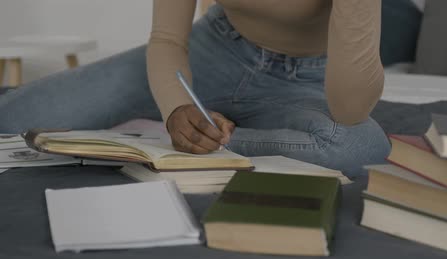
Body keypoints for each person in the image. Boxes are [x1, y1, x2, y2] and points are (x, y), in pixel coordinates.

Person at [0, 0, 390, 177]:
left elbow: (351, 108)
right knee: (12, 116)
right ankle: (187, 125)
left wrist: (221, 138)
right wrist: (176, 107)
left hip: (307, 78)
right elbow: (168, 39)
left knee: (358, 146)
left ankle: (209, 135)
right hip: (211, 53)